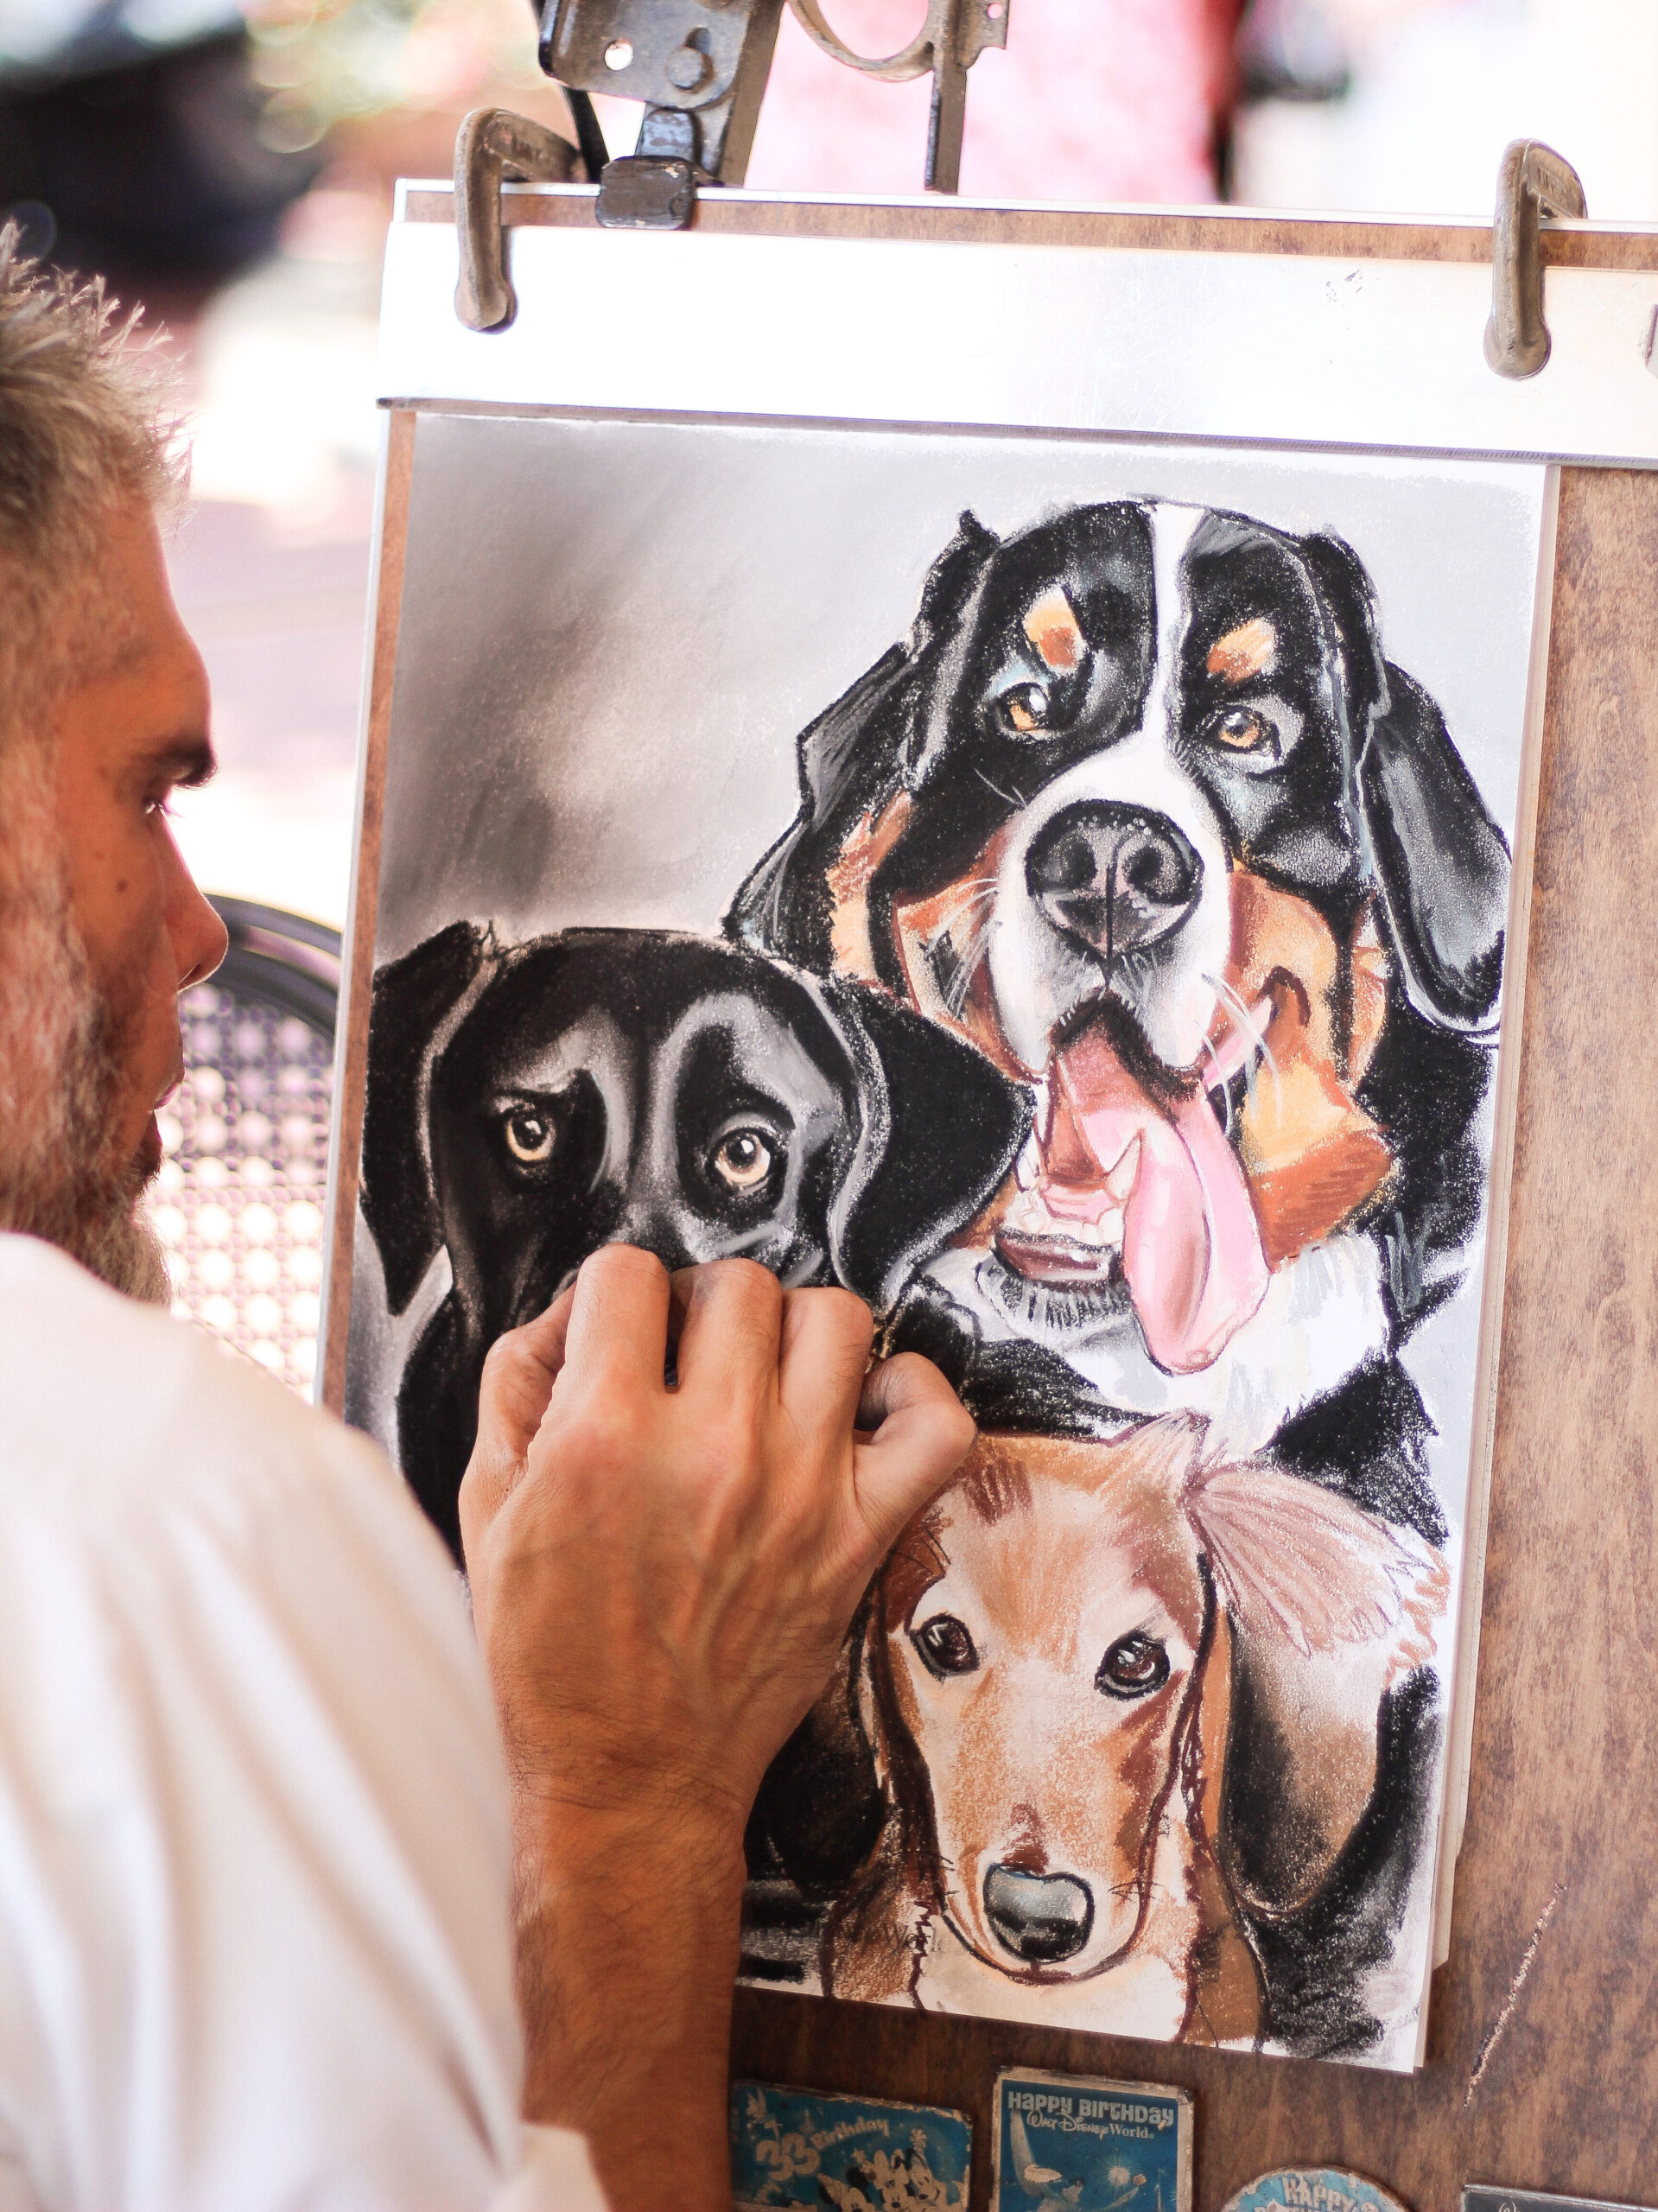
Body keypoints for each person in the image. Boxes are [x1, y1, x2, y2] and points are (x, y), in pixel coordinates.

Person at [0, 232, 977, 2212]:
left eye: (729, 1165)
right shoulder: (177, 1546)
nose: (200, 928)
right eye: (148, 790)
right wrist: (621, 1804)